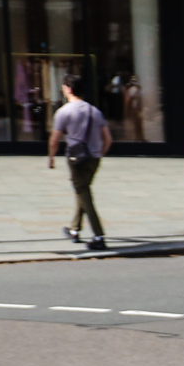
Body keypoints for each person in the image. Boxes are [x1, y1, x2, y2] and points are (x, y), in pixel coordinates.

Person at [48, 75, 112, 250]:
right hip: (94, 158)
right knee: (82, 192)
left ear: (68, 89)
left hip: (76, 159)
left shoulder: (64, 111)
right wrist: (100, 154)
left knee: (85, 195)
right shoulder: (95, 111)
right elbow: (108, 139)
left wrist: (51, 157)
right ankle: (74, 229)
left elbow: (54, 140)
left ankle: (99, 235)